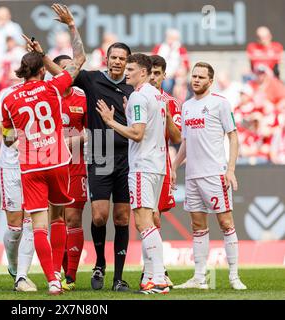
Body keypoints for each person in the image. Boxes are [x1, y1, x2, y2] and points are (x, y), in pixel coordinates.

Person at [2, 3, 85, 295]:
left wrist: (18, 136)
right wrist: (71, 25)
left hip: (30, 165)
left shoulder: (9, 100)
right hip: (58, 160)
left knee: (38, 225)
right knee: (58, 218)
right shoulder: (53, 88)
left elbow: (8, 135)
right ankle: (58, 278)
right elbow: (80, 58)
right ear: (41, 70)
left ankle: (50, 280)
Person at [96, 53, 169, 294]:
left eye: (131, 69)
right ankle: (152, 276)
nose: (126, 72)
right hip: (157, 165)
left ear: (144, 73)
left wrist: (110, 121)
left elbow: (137, 134)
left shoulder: (138, 96)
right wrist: (129, 113)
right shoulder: (158, 95)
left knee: (143, 222)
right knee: (149, 222)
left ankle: (158, 278)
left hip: (142, 165)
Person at [172, 62, 247, 290]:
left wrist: (230, 169)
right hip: (193, 175)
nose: (195, 80)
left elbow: (233, 136)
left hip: (215, 174)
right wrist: (175, 166)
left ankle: (234, 275)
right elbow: (185, 141)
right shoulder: (186, 106)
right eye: (194, 76)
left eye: (201, 77)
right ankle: (199, 277)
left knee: (225, 223)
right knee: (197, 225)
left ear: (210, 81)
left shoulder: (220, 104)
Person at [72, 42, 133, 292]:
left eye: (122, 58)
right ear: (106, 58)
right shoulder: (92, 80)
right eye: (114, 57)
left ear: (127, 62)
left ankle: (119, 278)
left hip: (127, 155)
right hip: (99, 150)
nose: (117, 61)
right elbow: (63, 71)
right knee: (99, 216)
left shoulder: (134, 87)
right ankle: (99, 262)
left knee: (122, 217)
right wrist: (42, 55)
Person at [135, 54, 181, 289]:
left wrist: (168, 116)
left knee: (153, 218)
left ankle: (154, 272)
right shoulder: (139, 95)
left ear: (164, 75)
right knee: (145, 218)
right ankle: (153, 272)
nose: (153, 77)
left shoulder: (169, 101)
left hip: (159, 165)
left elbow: (177, 137)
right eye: (150, 72)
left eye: (157, 73)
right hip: (140, 163)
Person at [0, 83, 37, 292]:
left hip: (34, 166)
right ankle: (13, 264)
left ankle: (22, 277)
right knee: (15, 227)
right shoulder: (8, 94)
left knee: (30, 223)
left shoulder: (45, 93)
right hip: (11, 167)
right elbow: (7, 137)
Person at [52, 54, 88, 291]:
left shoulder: (83, 96)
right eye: (63, 69)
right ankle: (57, 271)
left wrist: (73, 140)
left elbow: (92, 130)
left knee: (73, 218)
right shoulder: (47, 96)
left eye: (71, 69)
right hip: (51, 164)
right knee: (57, 219)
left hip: (76, 163)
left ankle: (71, 276)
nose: (68, 73)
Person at [152, 28, 190, 94]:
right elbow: (151, 63)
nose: (172, 40)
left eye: (174, 38)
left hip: (175, 77)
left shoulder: (181, 50)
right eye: (170, 38)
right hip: (159, 75)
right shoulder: (159, 48)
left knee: (173, 84)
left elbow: (186, 67)